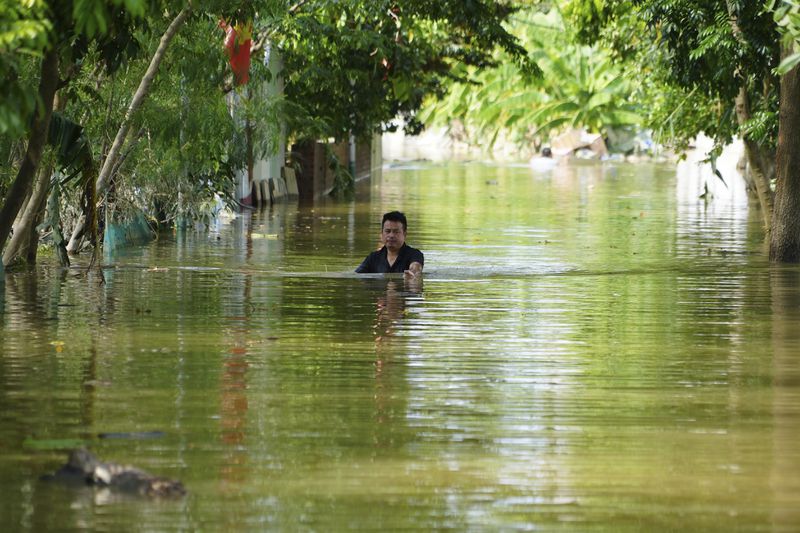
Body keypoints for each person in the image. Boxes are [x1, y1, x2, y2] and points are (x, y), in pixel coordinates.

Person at [355, 211, 423, 279]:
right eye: (387, 231)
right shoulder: (373, 258)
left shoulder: (414, 254)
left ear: (404, 234)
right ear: (381, 234)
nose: (391, 235)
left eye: (396, 232)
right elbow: (356, 276)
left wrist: (412, 274)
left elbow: (416, 267)